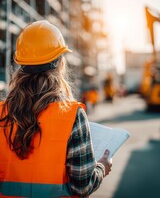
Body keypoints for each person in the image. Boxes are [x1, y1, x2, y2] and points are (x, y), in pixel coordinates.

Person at [0, 20, 112, 198]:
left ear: (20, 64)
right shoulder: (72, 116)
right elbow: (82, 187)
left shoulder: (1, 113)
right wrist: (101, 167)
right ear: (60, 64)